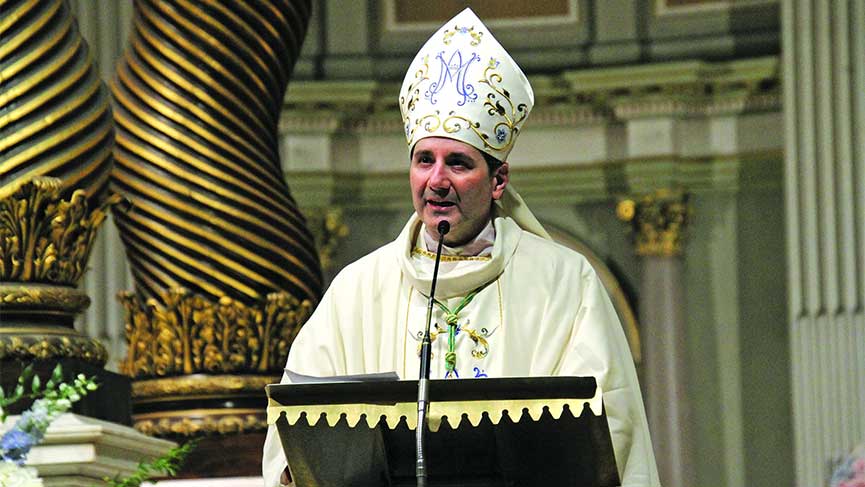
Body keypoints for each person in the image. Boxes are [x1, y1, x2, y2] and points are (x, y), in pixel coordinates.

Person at [263, 8, 659, 486]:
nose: (437, 181)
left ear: (498, 180)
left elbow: (608, 425)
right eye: (424, 160)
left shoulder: (563, 283)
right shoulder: (357, 290)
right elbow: (295, 433)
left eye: (458, 163)